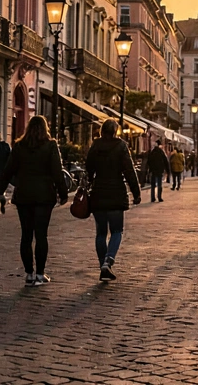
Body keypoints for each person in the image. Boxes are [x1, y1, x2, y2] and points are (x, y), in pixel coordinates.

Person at [0, 116, 68, 287]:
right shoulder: (50, 146)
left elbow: (8, 170)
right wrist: (63, 192)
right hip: (44, 196)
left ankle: (29, 273)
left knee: (26, 235)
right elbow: (57, 171)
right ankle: (40, 274)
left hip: (24, 195)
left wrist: (0, 190)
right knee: (41, 235)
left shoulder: (19, 146)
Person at [87, 119, 141, 281]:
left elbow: (88, 168)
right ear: (115, 131)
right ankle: (108, 261)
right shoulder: (121, 146)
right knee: (117, 230)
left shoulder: (95, 145)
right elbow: (129, 171)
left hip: (98, 192)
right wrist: (136, 192)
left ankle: (102, 264)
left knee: (101, 233)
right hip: (116, 193)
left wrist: (89, 182)